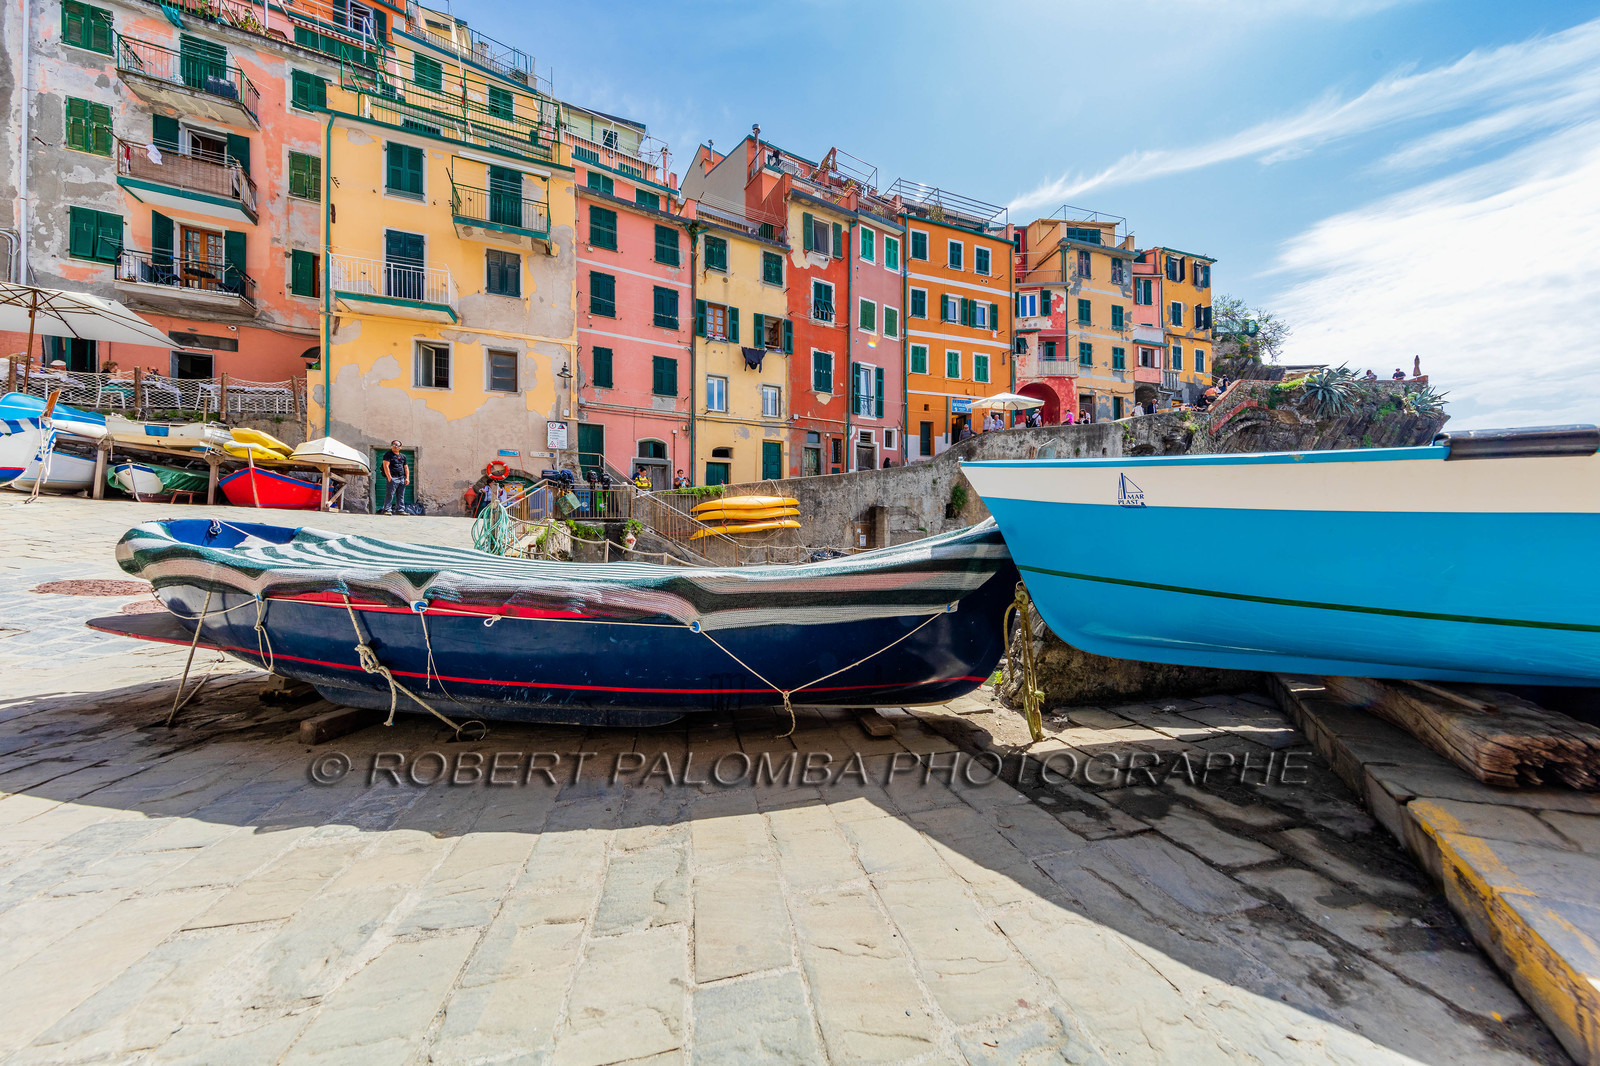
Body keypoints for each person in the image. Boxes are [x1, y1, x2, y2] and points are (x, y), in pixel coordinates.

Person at [380, 441, 408, 514]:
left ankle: (400, 510)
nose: (396, 446)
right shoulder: (388, 455)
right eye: (394, 445)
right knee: (390, 494)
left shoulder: (403, 456)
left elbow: (406, 468)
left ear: (400, 447)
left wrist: (407, 478)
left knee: (401, 495)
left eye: (398, 445)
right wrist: (389, 477)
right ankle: (387, 510)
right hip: (393, 478)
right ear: (391, 446)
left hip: (401, 478)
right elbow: (385, 466)